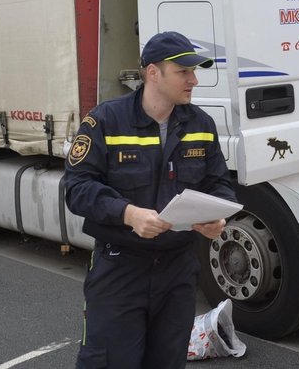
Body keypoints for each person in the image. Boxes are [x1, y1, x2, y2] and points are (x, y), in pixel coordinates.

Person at [64, 31, 237, 369]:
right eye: (183, 72)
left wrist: (218, 218)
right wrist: (128, 214)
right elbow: (77, 187)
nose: (194, 80)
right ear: (153, 73)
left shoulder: (200, 124)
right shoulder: (105, 120)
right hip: (119, 269)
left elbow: (219, 183)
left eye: (194, 71)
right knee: (112, 362)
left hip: (178, 271)